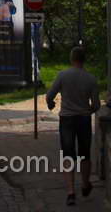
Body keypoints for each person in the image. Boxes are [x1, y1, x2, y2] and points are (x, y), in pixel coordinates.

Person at [46, 46, 100, 206]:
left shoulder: (63, 75)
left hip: (67, 120)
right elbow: (96, 105)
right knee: (85, 154)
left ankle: (70, 192)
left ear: (71, 59)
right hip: (83, 119)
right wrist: (87, 110)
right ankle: (85, 183)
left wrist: (51, 104)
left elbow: (50, 95)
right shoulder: (91, 79)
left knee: (68, 155)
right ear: (84, 60)